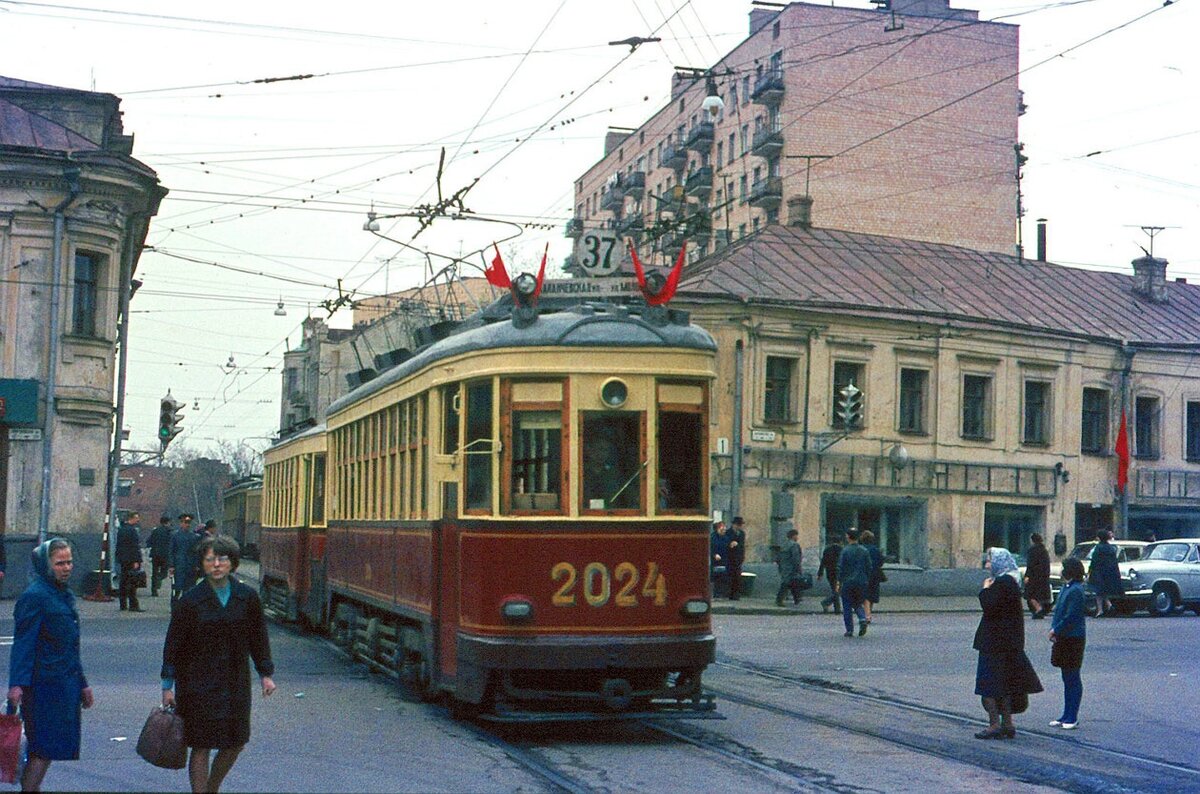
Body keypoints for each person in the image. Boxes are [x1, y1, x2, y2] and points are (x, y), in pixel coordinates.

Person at [162, 536, 276, 793]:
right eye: (210, 559)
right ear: (202, 564)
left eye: (222, 559)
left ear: (232, 562)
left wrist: (265, 673)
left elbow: (258, 637)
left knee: (235, 742)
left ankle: (212, 787)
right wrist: (167, 685)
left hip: (235, 681)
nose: (216, 564)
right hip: (196, 682)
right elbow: (173, 645)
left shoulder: (247, 597)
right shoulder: (190, 600)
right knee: (201, 744)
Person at [7, 539, 95, 792]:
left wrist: (83, 684)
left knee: (47, 749)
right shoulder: (35, 596)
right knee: (43, 749)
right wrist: (16, 685)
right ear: (46, 565)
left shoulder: (63, 594)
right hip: (43, 686)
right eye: (60, 563)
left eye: (69, 562)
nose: (67, 568)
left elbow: (69, 646)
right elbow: (24, 644)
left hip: (65, 684)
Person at [972, 547, 1043, 739]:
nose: (987, 565)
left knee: (988, 686)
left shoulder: (1002, 583)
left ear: (998, 563)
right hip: (1007, 643)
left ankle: (995, 724)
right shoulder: (1010, 582)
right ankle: (1007, 723)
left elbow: (990, 607)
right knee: (1003, 686)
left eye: (989, 561)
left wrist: (984, 589)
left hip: (994, 643)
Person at [1049, 557, 1087, 730]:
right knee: (1066, 677)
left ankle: (1072, 716)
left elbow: (1071, 616)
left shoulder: (1077, 590)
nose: (1061, 570)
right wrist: (1055, 629)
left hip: (1073, 637)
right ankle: (1066, 714)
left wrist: (1056, 629)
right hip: (1064, 636)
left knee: (1072, 676)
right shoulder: (1067, 587)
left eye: (1064, 568)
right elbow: (1058, 611)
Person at [837, 529, 872, 637]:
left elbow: (840, 568)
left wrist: (838, 582)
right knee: (858, 602)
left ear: (848, 537)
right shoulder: (864, 550)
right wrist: (866, 579)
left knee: (847, 605)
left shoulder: (845, 551)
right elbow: (869, 567)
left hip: (848, 582)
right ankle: (862, 618)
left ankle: (849, 630)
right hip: (861, 581)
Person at [169, 513, 204, 604]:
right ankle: (175, 604)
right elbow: (171, 551)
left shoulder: (195, 537)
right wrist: (171, 565)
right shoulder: (175, 536)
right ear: (181, 523)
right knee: (177, 587)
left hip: (190, 565)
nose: (187, 525)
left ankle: (187, 605)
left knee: (189, 587)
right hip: (179, 565)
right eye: (185, 522)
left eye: (188, 523)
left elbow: (197, 552)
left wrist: (197, 565)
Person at [1087, 530, 1122, 616]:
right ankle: (1109, 605)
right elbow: (1114, 561)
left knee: (1098, 592)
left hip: (1099, 572)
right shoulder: (1111, 548)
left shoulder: (1098, 547)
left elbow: (1094, 561)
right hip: (1109, 572)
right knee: (1103, 591)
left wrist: (1089, 572)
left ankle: (1100, 610)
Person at [115, 511, 144, 612]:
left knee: (123, 582)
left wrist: (118, 558)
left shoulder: (121, 530)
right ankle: (133, 605)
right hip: (131, 560)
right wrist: (137, 560)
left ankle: (122, 604)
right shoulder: (132, 531)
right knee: (133, 582)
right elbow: (135, 547)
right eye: (136, 518)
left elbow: (118, 545)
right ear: (131, 518)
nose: (138, 519)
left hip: (123, 560)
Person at [1024, 533, 1052, 619]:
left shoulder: (1032, 550)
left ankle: (1038, 608)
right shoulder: (1044, 550)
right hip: (1043, 576)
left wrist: (1027, 575)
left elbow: (1030, 564)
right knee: (1040, 595)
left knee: (1030, 594)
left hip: (1033, 576)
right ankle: (1039, 609)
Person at [860, 529, 884, 624]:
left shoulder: (860, 549)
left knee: (864, 595)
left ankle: (866, 615)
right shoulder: (876, 550)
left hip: (863, 575)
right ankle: (869, 613)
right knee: (872, 595)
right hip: (875, 575)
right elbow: (881, 562)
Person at [775, 529, 804, 607]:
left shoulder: (784, 545)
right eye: (796, 535)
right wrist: (799, 569)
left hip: (784, 567)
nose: (797, 537)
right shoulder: (794, 545)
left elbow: (778, 558)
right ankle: (779, 600)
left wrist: (781, 566)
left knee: (792, 583)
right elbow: (796, 558)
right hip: (791, 568)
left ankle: (797, 598)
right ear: (794, 536)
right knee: (786, 584)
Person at [147, 515, 174, 597]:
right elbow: (171, 544)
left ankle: (154, 591)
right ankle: (159, 579)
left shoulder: (155, 531)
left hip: (155, 554)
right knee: (164, 572)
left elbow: (149, 541)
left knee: (154, 572)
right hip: (165, 555)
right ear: (168, 522)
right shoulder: (170, 531)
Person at [817, 536, 842, 614]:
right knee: (837, 590)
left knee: (834, 590)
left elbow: (823, 562)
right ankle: (826, 602)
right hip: (838, 573)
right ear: (840, 541)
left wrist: (820, 573)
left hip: (829, 572)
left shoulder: (827, 549)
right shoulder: (841, 550)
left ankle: (837, 609)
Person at [727, 517, 748, 601]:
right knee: (730, 576)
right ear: (734, 524)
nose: (740, 526)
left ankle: (736, 594)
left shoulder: (742, 533)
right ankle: (730, 594)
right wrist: (730, 544)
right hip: (730, 557)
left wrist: (742, 556)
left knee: (737, 576)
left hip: (738, 557)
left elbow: (742, 546)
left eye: (740, 525)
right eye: (738, 525)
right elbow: (726, 543)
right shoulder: (728, 532)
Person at [710, 522, 730, 597]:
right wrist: (714, 555)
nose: (723, 531)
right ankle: (715, 593)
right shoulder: (713, 537)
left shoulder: (726, 538)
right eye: (722, 530)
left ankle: (722, 593)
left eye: (724, 530)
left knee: (723, 576)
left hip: (724, 559)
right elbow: (710, 548)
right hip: (715, 560)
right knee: (715, 577)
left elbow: (728, 547)